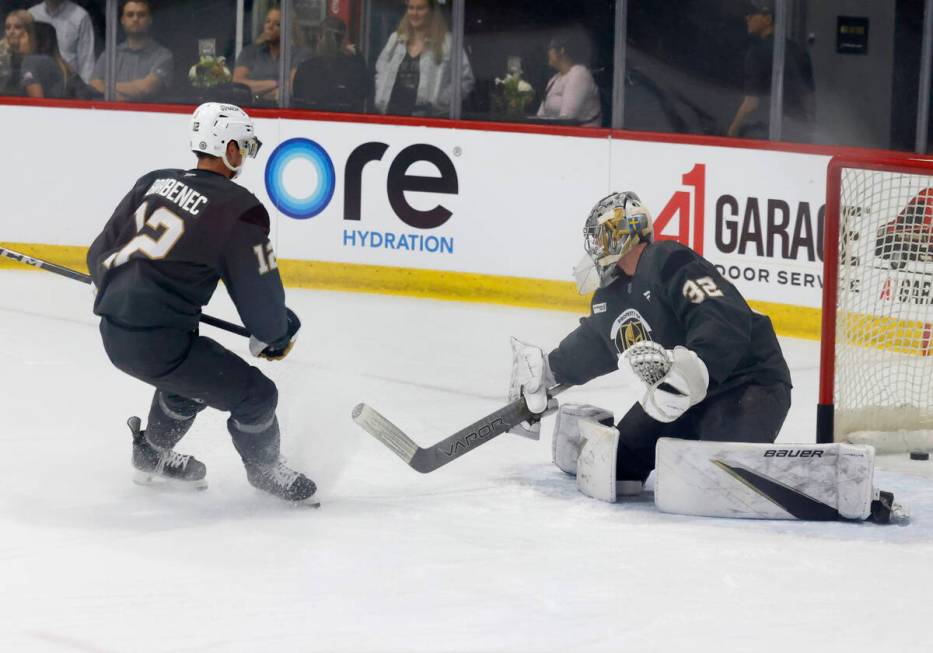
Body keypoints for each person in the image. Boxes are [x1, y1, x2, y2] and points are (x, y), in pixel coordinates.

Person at [86, 102, 317, 503]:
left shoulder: (153, 182)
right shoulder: (236, 207)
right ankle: (265, 471)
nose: (243, 157)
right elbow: (256, 288)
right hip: (160, 344)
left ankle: (152, 454)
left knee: (187, 382)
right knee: (258, 396)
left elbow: (98, 255)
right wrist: (274, 333)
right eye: (242, 146)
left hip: (114, 331)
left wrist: (114, 288)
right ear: (227, 147)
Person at [508, 191, 792, 494]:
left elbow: (722, 315)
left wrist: (697, 367)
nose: (597, 245)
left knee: (723, 475)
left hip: (748, 382)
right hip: (675, 396)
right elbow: (596, 342)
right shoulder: (610, 296)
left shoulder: (669, 259)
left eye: (601, 235)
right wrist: (549, 372)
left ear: (623, 231)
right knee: (614, 468)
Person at [727, 1, 815, 141]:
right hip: (800, 132)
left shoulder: (757, 53)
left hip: (772, 134)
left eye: (752, 14)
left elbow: (751, 103)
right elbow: (809, 97)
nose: (747, 18)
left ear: (767, 19)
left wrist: (731, 131)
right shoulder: (799, 51)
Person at [374, 0, 474, 116]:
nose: (414, 13)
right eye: (411, 8)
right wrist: (381, 97)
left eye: (420, 8)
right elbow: (380, 69)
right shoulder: (395, 39)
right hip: (392, 115)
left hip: (427, 120)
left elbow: (466, 79)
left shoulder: (448, 42)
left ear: (431, 12)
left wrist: (440, 101)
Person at [90, 0, 173, 101]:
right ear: (122, 20)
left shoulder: (163, 56)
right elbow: (94, 86)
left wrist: (106, 87)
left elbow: (147, 88)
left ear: (150, 19)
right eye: (130, 15)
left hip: (149, 115)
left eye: (141, 15)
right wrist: (120, 97)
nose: (135, 19)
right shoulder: (110, 54)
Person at [292, 16, 370, 113]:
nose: (330, 41)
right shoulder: (306, 69)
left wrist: (358, 58)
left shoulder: (354, 71)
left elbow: (363, 97)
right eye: (328, 36)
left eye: (335, 37)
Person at [233, 5, 309, 102]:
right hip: (250, 107)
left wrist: (257, 91)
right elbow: (238, 84)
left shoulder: (299, 54)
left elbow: (292, 86)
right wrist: (276, 83)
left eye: (277, 24)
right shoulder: (250, 52)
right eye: (267, 21)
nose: (270, 27)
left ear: (289, 29)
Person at [536, 33, 601, 127]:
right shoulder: (553, 80)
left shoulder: (579, 74)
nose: (547, 52)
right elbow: (540, 115)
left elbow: (566, 119)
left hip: (581, 137)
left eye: (550, 48)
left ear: (561, 50)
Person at [28, 0, 94, 83]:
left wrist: (83, 92)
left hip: (68, 87)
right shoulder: (31, 15)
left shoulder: (80, 16)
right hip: (36, 84)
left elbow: (87, 61)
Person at [0, 10, 33, 94]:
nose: (11, 32)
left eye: (18, 27)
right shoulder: (1, 52)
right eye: (7, 27)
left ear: (28, 30)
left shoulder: (37, 52)